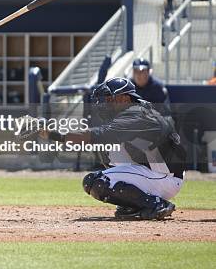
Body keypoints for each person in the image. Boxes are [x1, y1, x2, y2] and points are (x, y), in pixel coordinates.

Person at [29, 77, 185, 220]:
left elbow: (100, 134)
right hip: (158, 171)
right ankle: (134, 205)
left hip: (164, 177)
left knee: (95, 181)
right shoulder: (135, 111)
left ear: (124, 98)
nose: (104, 104)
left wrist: (51, 133)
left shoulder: (136, 114)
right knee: (106, 149)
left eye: (109, 99)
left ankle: (155, 204)